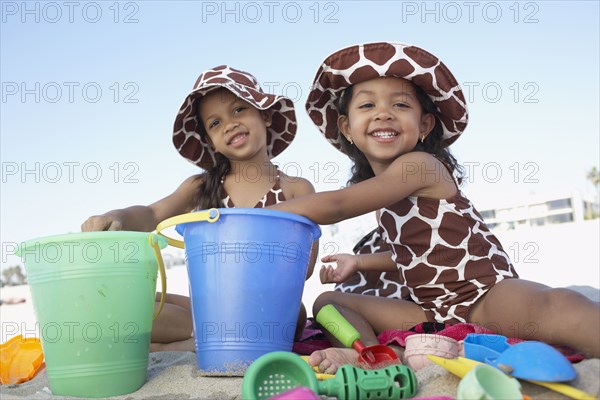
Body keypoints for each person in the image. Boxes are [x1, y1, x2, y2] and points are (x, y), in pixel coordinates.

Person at [270, 42, 600, 373]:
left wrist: (272, 212)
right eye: (367, 104)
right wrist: (358, 262)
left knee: (555, 306)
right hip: (429, 311)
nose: (383, 113)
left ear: (425, 125)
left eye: (399, 104)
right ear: (346, 127)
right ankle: (374, 354)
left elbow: (339, 204)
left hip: (483, 294)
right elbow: (410, 255)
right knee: (329, 302)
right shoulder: (384, 202)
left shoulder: (420, 166)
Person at [82, 65, 317, 351]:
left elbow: (304, 269)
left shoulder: (296, 189)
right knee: (119, 298)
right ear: (211, 142)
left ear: (265, 115)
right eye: (215, 123)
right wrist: (115, 217)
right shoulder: (202, 186)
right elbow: (153, 213)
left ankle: (176, 346)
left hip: (266, 309)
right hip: (206, 307)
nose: (229, 124)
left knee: (297, 313)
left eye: (239, 110)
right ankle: (192, 340)